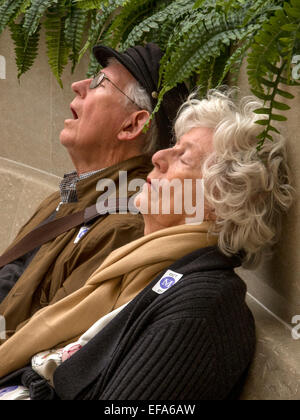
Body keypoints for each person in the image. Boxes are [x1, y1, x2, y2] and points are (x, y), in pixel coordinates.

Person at [0, 89, 293, 400]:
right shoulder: (138, 267)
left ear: (217, 200)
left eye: (183, 156)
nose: (157, 157)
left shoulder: (202, 307)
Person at [0, 43, 188, 339]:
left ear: (131, 125)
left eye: (100, 82)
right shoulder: (72, 189)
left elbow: (42, 344)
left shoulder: (123, 226)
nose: (77, 85)